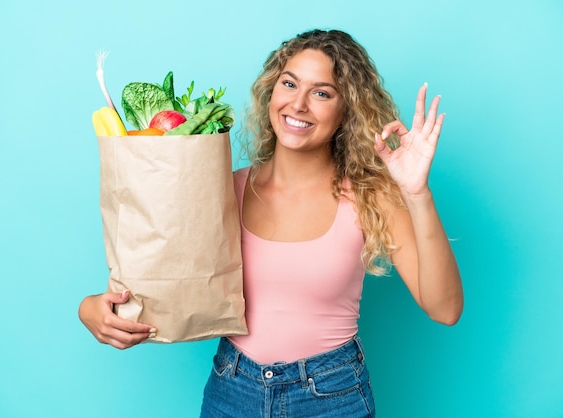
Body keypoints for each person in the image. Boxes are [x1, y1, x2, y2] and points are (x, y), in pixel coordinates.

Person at [78, 29, 463, 417]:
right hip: (232, 389)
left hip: (331, 397)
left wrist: (416, 193)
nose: (298, 104)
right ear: (271, 91)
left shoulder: (368, 197)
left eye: (322, 92)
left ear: (347, 109)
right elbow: (159, 284)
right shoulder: (223, 191)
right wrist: (91, 309)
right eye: (290, 83)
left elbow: (444, 309)